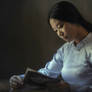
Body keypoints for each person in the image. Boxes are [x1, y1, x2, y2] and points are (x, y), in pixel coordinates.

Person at [9, 1, 92, 92]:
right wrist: (20, 78)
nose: (59, 33)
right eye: (56, 31)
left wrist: (71, 88)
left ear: (72, 18)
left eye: (60, 26)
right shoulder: (66, 49)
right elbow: (47, 73)